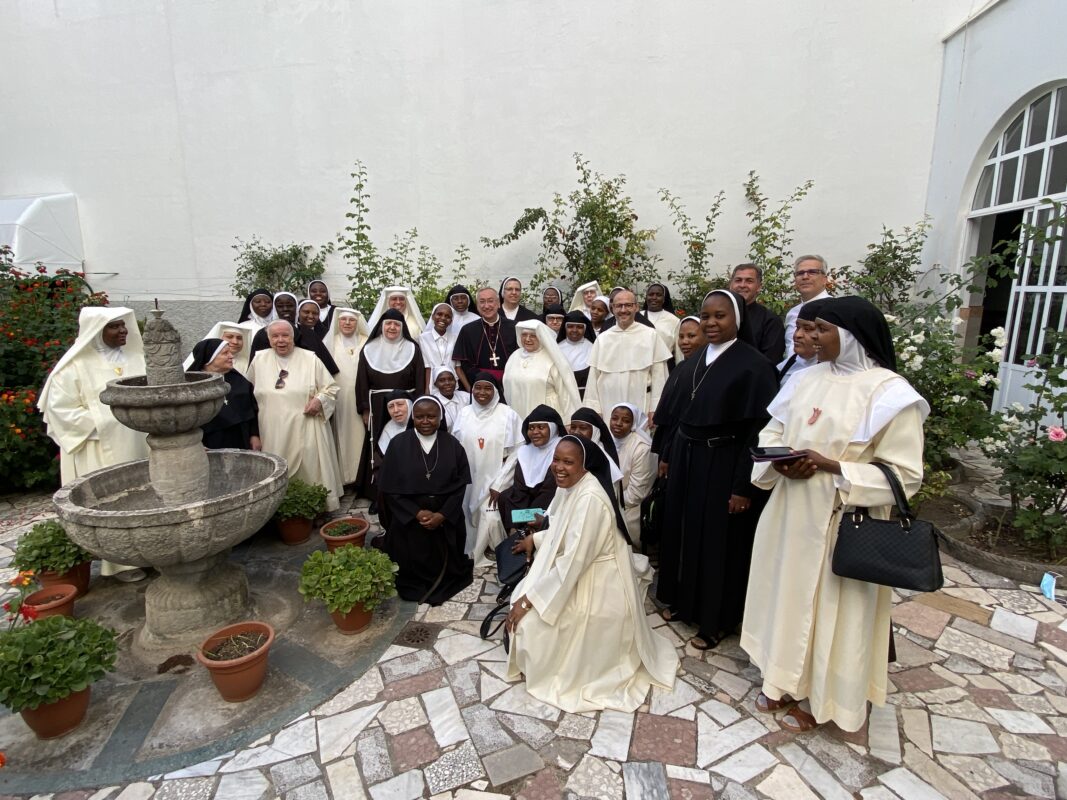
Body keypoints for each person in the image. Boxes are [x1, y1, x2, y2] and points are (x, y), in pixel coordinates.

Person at [741, 296, 928, 733]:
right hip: (791, 510)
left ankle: (822, 698)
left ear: (849, 335)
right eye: (806, 328)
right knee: (784, 598)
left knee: (833, 612)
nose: (808, 337)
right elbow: (773, 430)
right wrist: (780, 460)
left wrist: (832, 467)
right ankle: (781, 678)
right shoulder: (805, 380)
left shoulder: (890, 393)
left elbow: (905, 474)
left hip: (841, 518)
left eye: (819, 329)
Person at [505, 435, 679, 712]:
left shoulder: (591, 499)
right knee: (526, 609)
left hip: (598, 582)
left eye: (568, 462)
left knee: (534, 628)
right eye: (556, 459)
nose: (559, 467)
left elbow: (574, 561)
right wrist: (535, 541)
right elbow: (565, 531)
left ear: (585, 465)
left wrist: (529, 601)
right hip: (579, 570)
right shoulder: (572, 487)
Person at [653, 290, 778, 650]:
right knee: (684, 533)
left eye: (719, 316)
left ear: (737, 320)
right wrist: (667, 455)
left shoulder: (754, 366)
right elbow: (676, 417)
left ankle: (716, 620)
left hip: (725, 464)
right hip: (687, 460)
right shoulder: (692, 362)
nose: (710, 323)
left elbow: (758, 433)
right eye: (705, 316)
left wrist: (743, 486)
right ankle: (683, 602)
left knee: (719, 543)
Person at [39, 306, 149, 581]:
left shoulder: (136, 358)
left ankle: (152, 552)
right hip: (100, 447)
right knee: (113, 504)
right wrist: (111, 419)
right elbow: (62, 412)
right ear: (96, 331)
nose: (122, 331)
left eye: (124, 325)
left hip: (139, 441)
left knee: (146, 496)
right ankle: (121, 563)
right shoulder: (74, 367)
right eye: (114, 326)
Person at [377, 396, 474, 606]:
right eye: (420, 417)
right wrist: (415, 513)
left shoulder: (452, 445)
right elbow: (390, 489)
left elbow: (459, 487)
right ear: (413, 418)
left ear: (440, 418)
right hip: (410, 519)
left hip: (443, 518)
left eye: (431, 416)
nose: (426, 421)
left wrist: (442, 515)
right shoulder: (398, 444)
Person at [246, 320, 343, 511]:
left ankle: (316, 510)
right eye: (275, 336)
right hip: (271, 429)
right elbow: (248, 396)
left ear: (293, 337)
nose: (280, 340)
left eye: (285, 336)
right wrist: (253, 433)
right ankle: (280, 511)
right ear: (268, 338)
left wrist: (319, 401)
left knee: (311, 469)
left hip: (307, 426)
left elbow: (331, 388)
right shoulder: (259, 359)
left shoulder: (310, 358)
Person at [452, 373, 523, 565]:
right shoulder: (464, 413)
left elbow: (518, 452)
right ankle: (472, 548)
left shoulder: (508, 414)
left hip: (495, 480)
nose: (482, 392)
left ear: (496, 391)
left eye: (487, 388)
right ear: (472, 389)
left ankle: (498, 552)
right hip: (468, 480)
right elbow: (455, 448)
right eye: (478, 387)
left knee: (490, 516)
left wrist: (500, 483)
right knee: (466, 513)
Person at [356, 309, 427, 495]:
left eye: (397, 324)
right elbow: (362, 381)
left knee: (407, 445)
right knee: (377, 446)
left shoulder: (413, 349)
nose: (392, 327)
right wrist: (364, 409)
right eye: (388, 323)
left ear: (402, 328)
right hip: (378, 406)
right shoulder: (369, 349)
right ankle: (377, 492)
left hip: (406, 405)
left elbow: (420, 380)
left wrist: (418, 408)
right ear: (381, 326)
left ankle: (408, 487)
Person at [584, 290, 671, 423]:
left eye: (628, 305)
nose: (623, 310)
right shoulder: (602, 339)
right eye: (619, 306)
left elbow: (660, 376)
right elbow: (593, 378)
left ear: (636, 307)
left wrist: (656, 407)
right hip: (608, 403)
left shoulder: (651, 335)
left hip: (640, 402)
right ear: (612, 309)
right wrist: (594, 410)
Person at [490, 405, 564, 534]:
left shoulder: (562, 449)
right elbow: (520, 489)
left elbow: (549, 492)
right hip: (529, 504)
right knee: (506, 496)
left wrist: (528, 524)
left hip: (551, 503)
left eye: (541, 427)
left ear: (553, 429)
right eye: (531, 428)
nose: (535, 432)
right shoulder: (526, 451)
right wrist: (515, 526)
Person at [187, 338, 261, 450]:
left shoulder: (240, 381)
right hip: (210, 441)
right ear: (209, 358)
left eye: (230, 352)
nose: (231, 356)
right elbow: (187, 418)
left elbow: (253, 410)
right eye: (225, 353)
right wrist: (196, 443)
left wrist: (254, 435)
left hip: (242, 439)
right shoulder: (192, 385)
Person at [502, 320, 581, 423]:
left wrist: (568, 421)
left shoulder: (553, 358)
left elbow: (565, 392)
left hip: (546, 415)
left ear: (541, 337)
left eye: (533, 336)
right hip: (517, 412)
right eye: (524, 335)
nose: (527, 339)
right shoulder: (514, 356)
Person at [327, 307, 370, 486]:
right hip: (340, 398)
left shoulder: (367, 342)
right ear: (338, 322)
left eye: (351, 320)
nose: (347, 323)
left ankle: (361, 477)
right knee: (342, 435)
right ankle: (344, 478)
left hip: (363, 397)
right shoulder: (330, 342)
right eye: (343, 320)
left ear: (357, 322)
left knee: (362, 436)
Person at [249, 292, 339, 375]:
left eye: (290, 306)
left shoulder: (308, 334)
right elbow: (255, 370)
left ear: (296, 308)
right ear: (274, 308)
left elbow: (325, 368)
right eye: (280, 306)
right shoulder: (263, 334)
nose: (285, 309)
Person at [452, 286, 519, 388]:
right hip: (479, 387)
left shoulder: (515, 328)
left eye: (490, 301)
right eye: (482, 302)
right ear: (477, 306)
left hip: (512, 384)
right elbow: (465, 365)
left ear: (498, 304)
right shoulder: (468, 330)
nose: (486, 306)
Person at [609, 403, 656, 546]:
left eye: (626, 420)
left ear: (633, 423)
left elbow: (636, 494)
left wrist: (609, 504)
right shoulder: (607, 441)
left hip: (631, 509)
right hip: (611, 502)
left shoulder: (641, 449)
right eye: (614, 418)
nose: (618, 423)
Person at [730, 264, 786, 363]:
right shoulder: (716, 316)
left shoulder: (771, 321)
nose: (742, 285)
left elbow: (770, 362)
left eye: (749, 281)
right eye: (738, 280)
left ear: (759, 287)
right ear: (731, 284)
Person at [783, 255, 832, 359]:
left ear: (825, 279)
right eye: (800, 273)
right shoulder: (793, 313)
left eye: (812, 272)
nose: (805, 277)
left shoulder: (834, 310)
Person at [778, 299, 827, 386]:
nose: (797, 334)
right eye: (797, 327)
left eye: (808, 329)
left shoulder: (829, 374)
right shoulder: (788, 364)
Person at [183, 321, 257, 374]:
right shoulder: (199, 363)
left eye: (239, 338)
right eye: (229, 337)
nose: (235, 342)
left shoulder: (250, 363)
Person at [557, 311, 596, 397]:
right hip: (563, 396)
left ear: (585, 328)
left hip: (586, 396)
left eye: (579, 327)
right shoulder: (556, 348)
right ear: (565, 328)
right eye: (570, 326)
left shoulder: (593, 348)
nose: (574, 330)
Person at [418, 303, 458, 387]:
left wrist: (469, 390)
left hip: (451, 384)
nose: (443, 318)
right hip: (432, 384)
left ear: (451, 321)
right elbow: (427, 366)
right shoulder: (422, 338)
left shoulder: (455, 338)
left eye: (447, 316)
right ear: (433, 316)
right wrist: (427, 390)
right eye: (439, 314)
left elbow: (458, 366)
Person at [643, 283, 681, 360]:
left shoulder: (674, 321)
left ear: (664, 299)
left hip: (665, 366)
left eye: (658, 295)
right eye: (651, 294)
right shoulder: (637, 317)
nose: (654, 297)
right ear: (646, 297)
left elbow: (678, 352)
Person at [430, 365, 470, 431]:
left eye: (450, 379)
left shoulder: (466, 397)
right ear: (435, 384)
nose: (447, 383)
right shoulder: (432, 403)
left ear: (455, 381)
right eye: (442, 380)